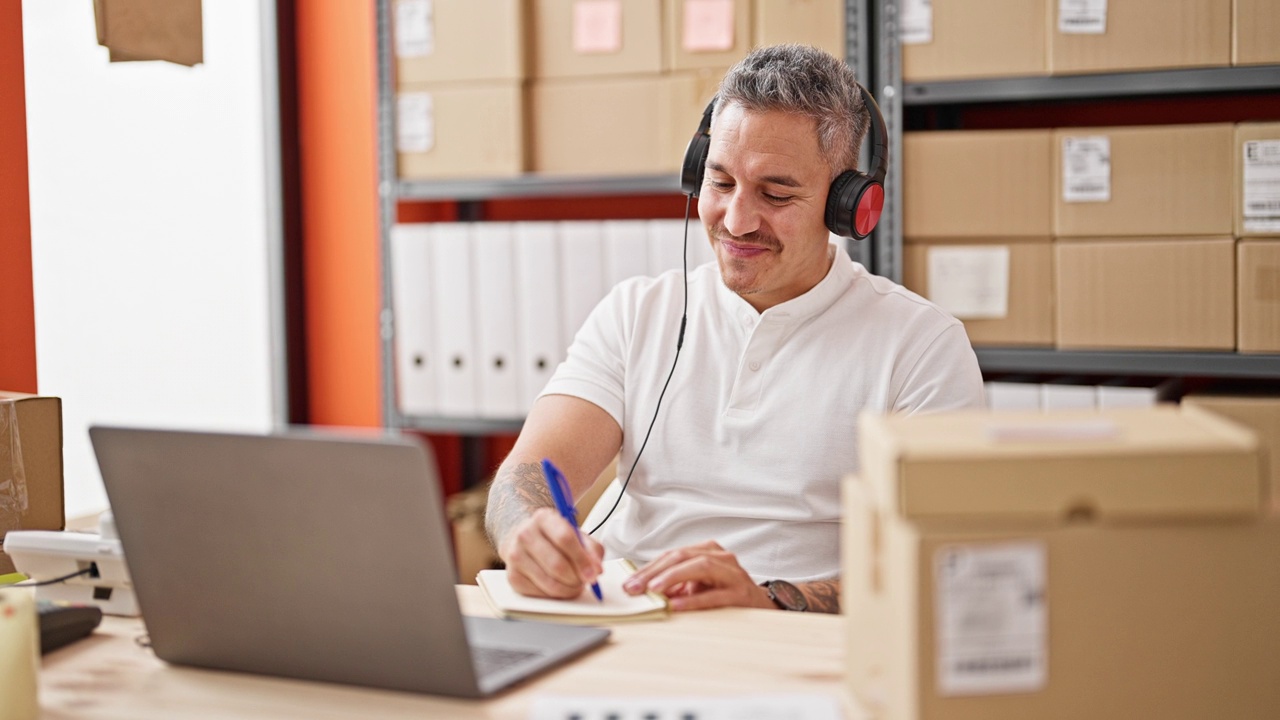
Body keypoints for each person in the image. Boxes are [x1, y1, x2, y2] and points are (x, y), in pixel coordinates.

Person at [485, 44, 984, 614]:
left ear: (849, 205)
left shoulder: (921, 346)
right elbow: (527, 474)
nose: (737, 220)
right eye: (720, 183)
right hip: (620, 616)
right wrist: (525, 530)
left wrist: (767, 599)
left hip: (784, 639)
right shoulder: (637, 312)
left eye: (776, 194)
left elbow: (945, 564)